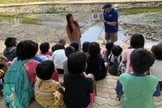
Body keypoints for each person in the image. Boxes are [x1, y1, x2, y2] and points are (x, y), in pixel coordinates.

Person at [3, 40, 39, 108]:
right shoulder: (35, 64)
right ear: (33, 53)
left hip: (12, 92)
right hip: (26, 93)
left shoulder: (15, 60)